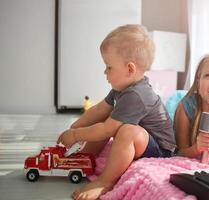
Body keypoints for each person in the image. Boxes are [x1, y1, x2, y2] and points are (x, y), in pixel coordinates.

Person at [57, 24, 176, 200]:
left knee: (123, 129)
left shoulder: (136, 94)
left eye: (109, 67)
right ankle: (85, 158)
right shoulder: (122, 88)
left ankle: (105, 182)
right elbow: (99, 109)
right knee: (109, 119)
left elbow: (106, 130)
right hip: (144, 141)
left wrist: (75, 135)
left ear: (129, 69)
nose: (105, 72)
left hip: (161, 150)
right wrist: (74, 127)